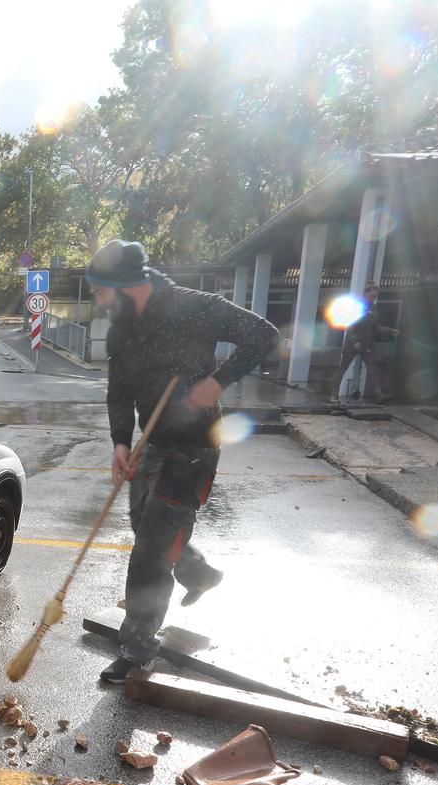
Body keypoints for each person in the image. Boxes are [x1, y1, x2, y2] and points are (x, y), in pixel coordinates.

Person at [87, 240, 281, 684]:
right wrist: (120, 442)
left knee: (152, 549)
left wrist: (218, 381)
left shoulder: (195, 308)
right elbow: (119, 391)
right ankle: (200, 574)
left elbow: (264, 334)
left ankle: (137, 648)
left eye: (101, 291)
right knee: (145, 525)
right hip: (152, 442)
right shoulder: (122, 330)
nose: (98, 301)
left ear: (126, 285)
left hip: (194, 448)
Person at [334, 284, 394, 403]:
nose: (373, 298)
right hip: (352, 344)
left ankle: (379, 395)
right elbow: (350, 326)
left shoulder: (374, 308)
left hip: (367, 344)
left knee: (372, 369)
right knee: (343, 368)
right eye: (371, 296)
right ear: (365, 294)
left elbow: (375, 327)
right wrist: (355, 341)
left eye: (375, 296)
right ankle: (334, 393)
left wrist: (390, 331)